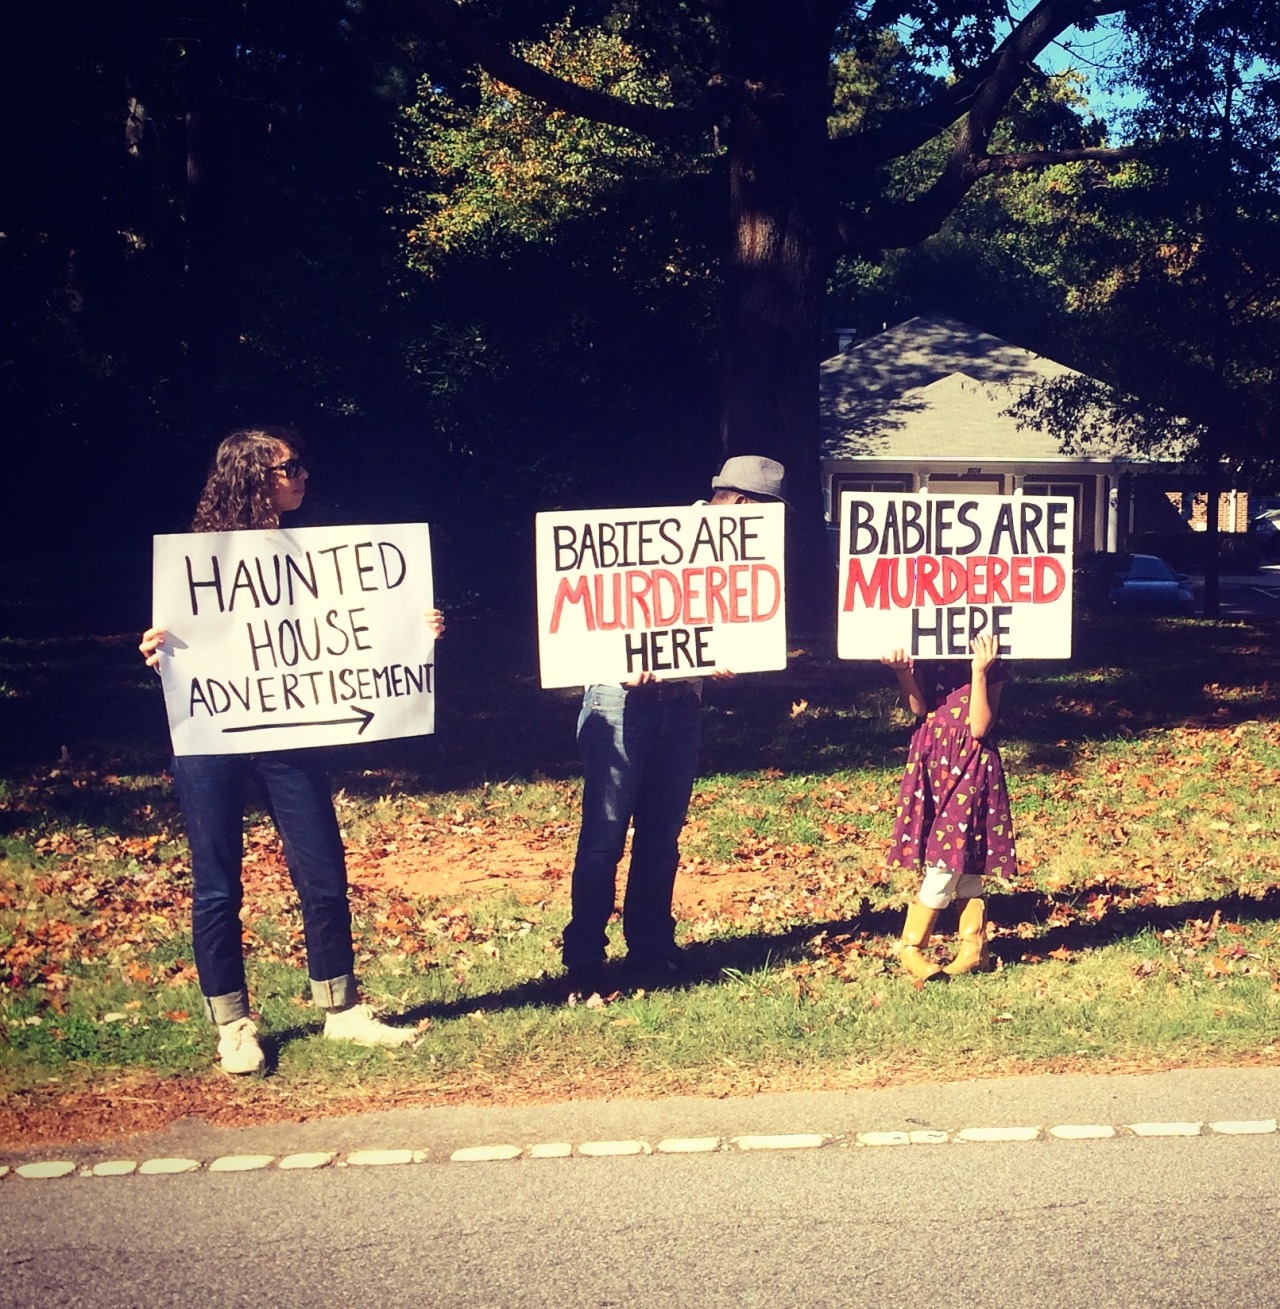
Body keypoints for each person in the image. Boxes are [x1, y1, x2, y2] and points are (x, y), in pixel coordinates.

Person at [140, 426, 445, 1074]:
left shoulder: (314, 551)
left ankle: (341, 1006)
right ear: (253, 478)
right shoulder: (196, 563)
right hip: (212, 733)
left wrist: (414, 629)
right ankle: (232, 1024)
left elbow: (352, 628)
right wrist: (156, 648)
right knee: (218, 884)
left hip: (288, 730)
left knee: (323, 868)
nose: (303, 475)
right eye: (290, 467)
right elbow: (185, 638)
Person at [561, 455, 788, 1002]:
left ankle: (651, 948)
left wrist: (730, 655)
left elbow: (724, 627)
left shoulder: (737, 556)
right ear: (740, 504)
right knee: (604, 836)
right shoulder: (651, 537)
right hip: (620, 699)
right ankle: (586, 958)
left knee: (662, 837)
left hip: (682, 704)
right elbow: (586, 612)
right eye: (767, 513)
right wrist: (620, 659)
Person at [881, 634, 1015, 980]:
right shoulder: (927, 648)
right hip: (932, 758)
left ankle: (912, 946)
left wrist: (980, 671)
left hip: (971, 763)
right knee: (960, 857)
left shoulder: (991, 656)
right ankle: (974, 948)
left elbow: (981, 726)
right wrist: (902, 671)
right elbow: (918, 709)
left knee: (950, 855)